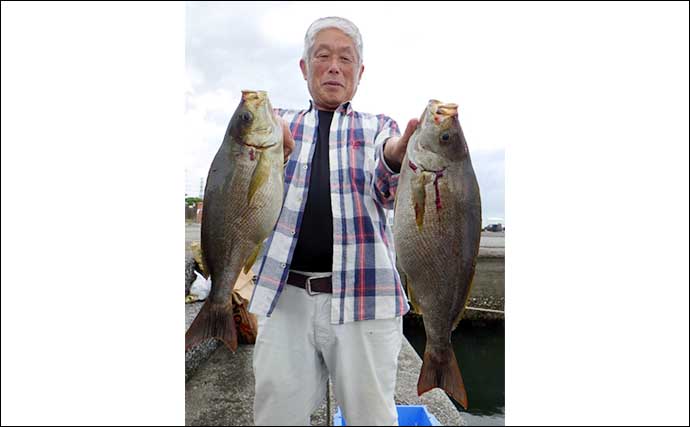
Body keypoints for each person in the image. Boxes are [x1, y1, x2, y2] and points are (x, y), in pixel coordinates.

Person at [248, 16, 418, 426]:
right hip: (285, 298)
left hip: (367, 299)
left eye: (346, 59)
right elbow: (248, 192)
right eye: (322, 56)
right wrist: (276, 153)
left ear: (360, 72)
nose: (334, 67)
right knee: (275, 417)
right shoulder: (276, 124)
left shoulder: (380, 127)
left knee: (372, 418)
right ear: (305, 68)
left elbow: (387, 189)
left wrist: (396, 156)